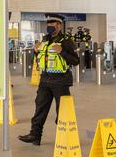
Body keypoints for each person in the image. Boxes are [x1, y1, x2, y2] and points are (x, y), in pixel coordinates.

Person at [18, 13, 79, 146]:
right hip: (45, 80)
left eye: (52, 24)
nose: (49, 26)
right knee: (40, 108)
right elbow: (41, 59)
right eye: (48, 24)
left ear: (59, 25)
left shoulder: (67, 41)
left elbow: (75, 61)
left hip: (61, 81)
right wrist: (35, 51)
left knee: (62, 112)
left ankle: (64, 138)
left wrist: (62, 51)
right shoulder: (45, 39)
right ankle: (35, 135)